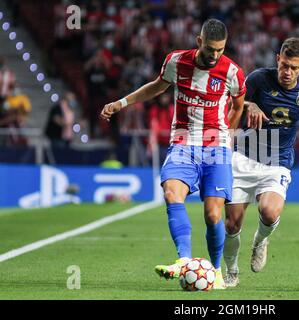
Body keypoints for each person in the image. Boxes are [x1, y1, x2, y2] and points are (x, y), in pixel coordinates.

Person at [100, 19, 248, 289]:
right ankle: (183, 260)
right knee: (171, 193)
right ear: (199, 41)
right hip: (183, 141)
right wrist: (121, 103)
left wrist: (227, 136)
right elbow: (158, 85)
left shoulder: (233, 73)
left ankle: (215, 271)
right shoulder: (176, 61)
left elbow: (238, 107)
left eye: (221, 50)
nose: (215, 55)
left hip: (216, 146)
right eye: (211, 49)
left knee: (214, 215)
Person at [223, 38, 299, 287]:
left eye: (294, 67)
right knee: (232, 223)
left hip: (277, 160)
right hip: (244, 156)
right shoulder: (258, 79)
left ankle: (260, 241)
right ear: (278, 58)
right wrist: (251, 104)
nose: (287, 72)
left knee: (268, 211)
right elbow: (229, 102)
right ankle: (232, 271)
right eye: (284, 65)